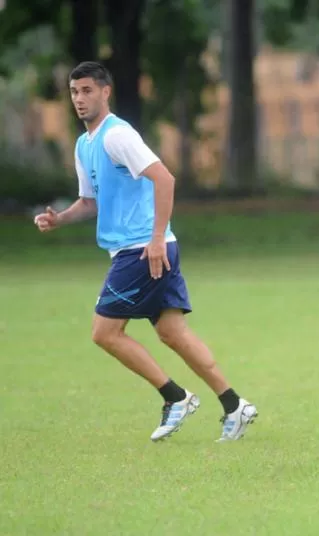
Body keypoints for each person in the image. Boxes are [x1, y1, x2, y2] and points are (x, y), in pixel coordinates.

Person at [33, 61, 258, 443]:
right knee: (173, 332)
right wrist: (61, 219)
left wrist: (156, 238)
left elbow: (164, 178)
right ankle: (235, 406)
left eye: (88, 90)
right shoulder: (85, 144)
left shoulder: (116, 136)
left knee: (104, 332)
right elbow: (90, 202)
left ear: (106, 92)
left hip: (141, 249)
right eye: (74, 92)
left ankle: (176, 398)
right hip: (145, 247)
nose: (80, 99)